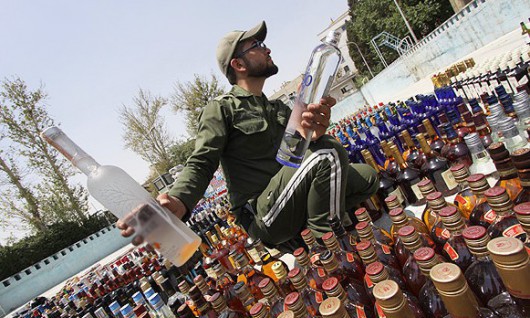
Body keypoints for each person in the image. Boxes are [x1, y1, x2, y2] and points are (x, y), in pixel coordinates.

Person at [118, 21, 378, 252]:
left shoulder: (278, 108)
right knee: (329, 152)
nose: (268, 49)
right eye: (258, 45)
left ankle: (305, 233)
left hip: (289, 194)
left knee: (366, 177)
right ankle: (330, 249)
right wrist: (179, 199)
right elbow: (201, 162)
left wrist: (316, 132)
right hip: (262, 212)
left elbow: (301, 151)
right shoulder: (221, 109)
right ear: (239, 64)